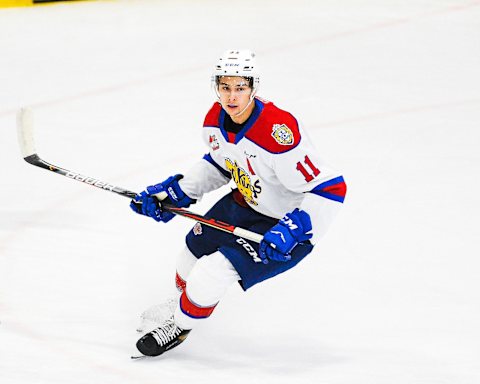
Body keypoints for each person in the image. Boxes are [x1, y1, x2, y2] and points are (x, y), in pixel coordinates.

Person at [130, 50, 347, 357]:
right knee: (189, 256)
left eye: (240, 88)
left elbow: (331, 188)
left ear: (253, 88)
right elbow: (221, 163)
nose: (231, 96)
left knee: (212, 272)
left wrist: (296, 228)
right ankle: (185, 302)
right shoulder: (214, 120)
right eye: (225, 87)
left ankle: (179, 325)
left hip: (285, 224)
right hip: (246, 203)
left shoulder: (277, 132)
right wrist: (176, 193)